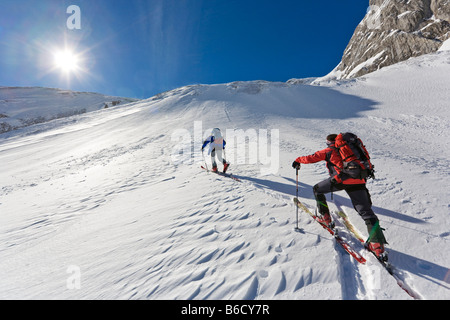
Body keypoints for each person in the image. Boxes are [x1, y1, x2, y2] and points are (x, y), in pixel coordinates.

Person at [292, 134, 387, 258]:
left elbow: (311, 158)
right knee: (366, 212)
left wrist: (298, 160)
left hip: (340, 181)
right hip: (359, 180)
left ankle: (325, 217)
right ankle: (377, 245)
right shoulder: (352, 149)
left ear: (329, 142)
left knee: (317, 190)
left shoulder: (329, 150)